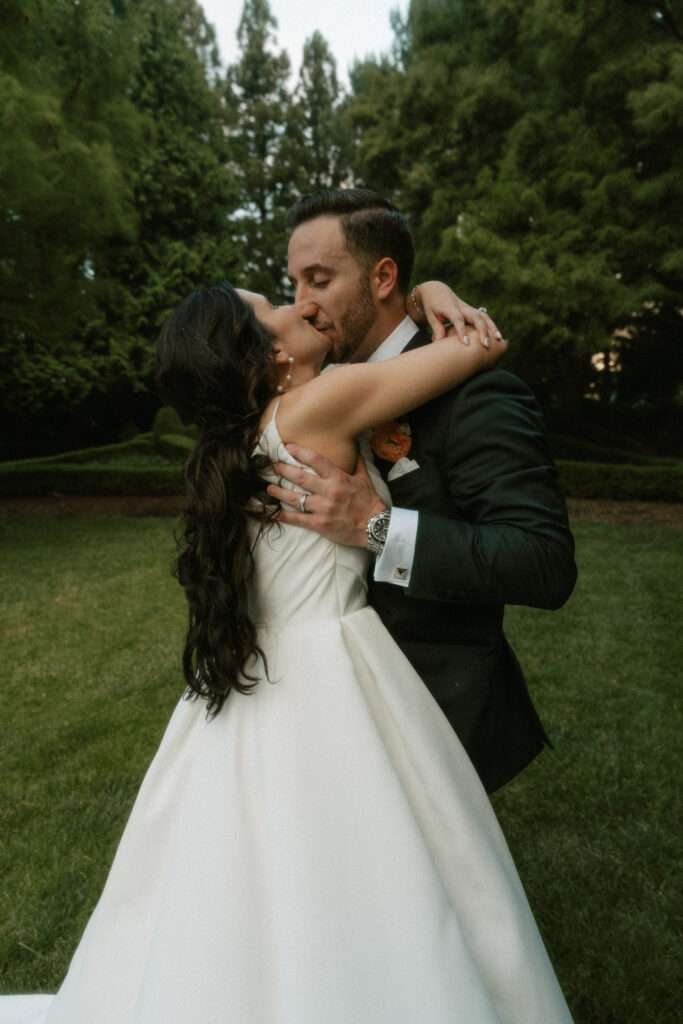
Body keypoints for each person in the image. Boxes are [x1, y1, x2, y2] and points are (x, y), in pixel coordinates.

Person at [0, 282, 574, 1023]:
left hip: (256, 680)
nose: (299, 306)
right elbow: (480, 347)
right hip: (332, 667)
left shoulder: (242, 440)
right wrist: (432, 290)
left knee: (250, 861)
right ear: (269, 353)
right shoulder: (315, 403)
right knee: (361, 854)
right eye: (276, 305)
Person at [269, 188, 577, 794]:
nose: (302, 307)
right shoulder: (319, 385)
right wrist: (423, 291)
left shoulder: (477, 394)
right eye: (294, 284)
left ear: (382, 277)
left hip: (434, 706)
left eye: (320, 280)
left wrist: (377, 528)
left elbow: (544, 562)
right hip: (325, 700)